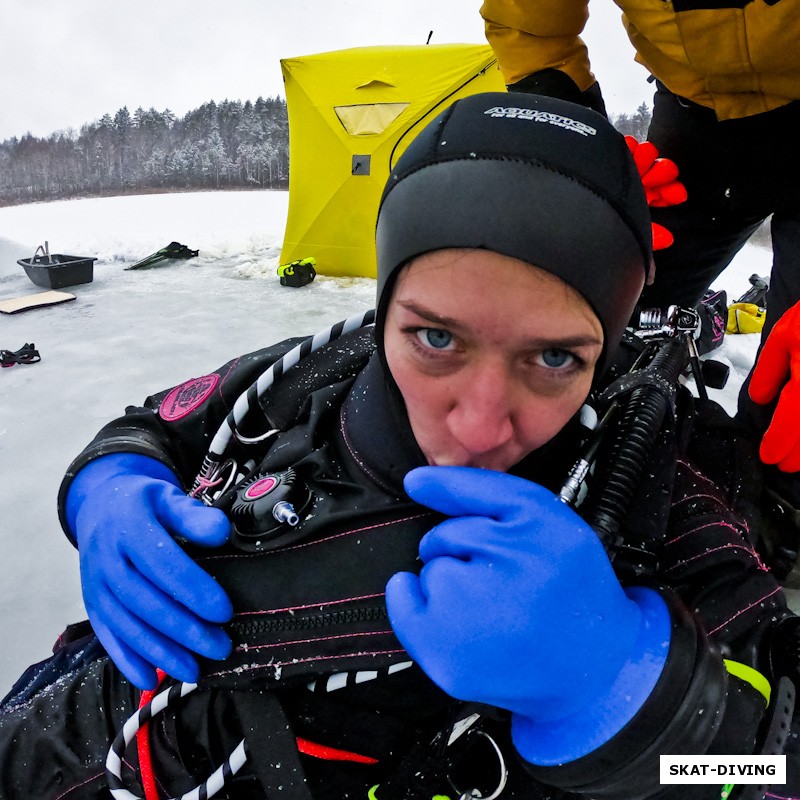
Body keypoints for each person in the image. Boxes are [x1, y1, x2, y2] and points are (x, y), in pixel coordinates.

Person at [1, 92, 798, 800]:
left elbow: (774, 771)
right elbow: (159, 424)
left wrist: (620, 690)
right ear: (384, 312)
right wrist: (109, 487)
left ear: (606, 348)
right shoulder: (310, 372)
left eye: (555, 358)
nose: (482, 425)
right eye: (436, 338)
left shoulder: (659, 492)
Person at [479, 0, 800, 555]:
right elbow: (528, 21)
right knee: (608, 299)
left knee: (788, 389)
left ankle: (776, 510)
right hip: (698, 120)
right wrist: (583, 144)